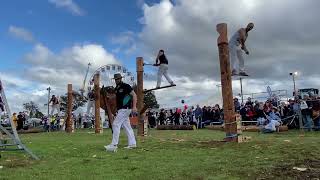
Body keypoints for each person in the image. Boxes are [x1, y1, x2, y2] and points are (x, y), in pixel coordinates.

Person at [105, 73, 137, 152]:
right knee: (127, 126)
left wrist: (134, 106)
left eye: (118, 79)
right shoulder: (117, 88)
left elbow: (134, 95)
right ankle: (132, 144)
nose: (117, 80)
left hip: (125, 108)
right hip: (122, 109)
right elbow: (115, 96)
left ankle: (114, 144)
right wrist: (108, 96)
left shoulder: (126, 86)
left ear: (121, 78)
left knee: (116, 124)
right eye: (115, 79)